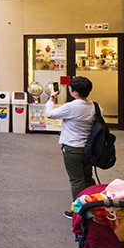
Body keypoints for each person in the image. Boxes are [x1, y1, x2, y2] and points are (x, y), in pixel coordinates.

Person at [45, 76, 97, 218]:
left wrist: (51, 98)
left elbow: (50, 114)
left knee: (76, 181)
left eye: (70, 89)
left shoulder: (71, 106)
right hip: (88, 148)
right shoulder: (96, 107)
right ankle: (92, 205)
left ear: (74, 92)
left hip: (72, 148)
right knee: (87, 178)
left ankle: (79, 212)